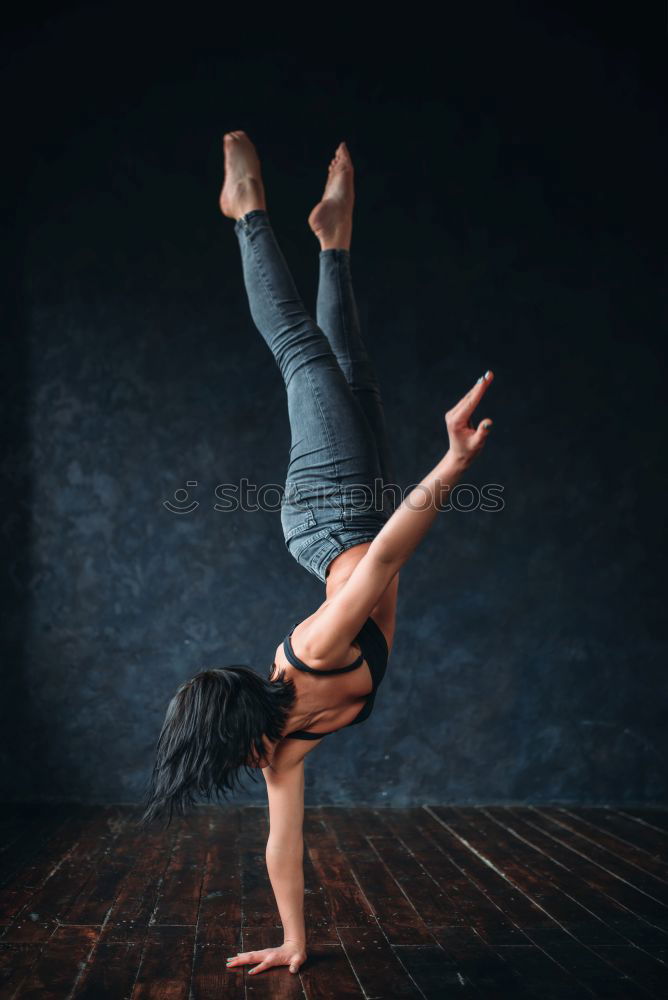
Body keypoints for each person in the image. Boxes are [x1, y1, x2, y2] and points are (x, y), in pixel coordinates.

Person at [140, 131, 494, 977]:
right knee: (354, 373)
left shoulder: (314, 657)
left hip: (331, 517)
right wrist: (295, 944)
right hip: (369, 517)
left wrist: (450, 463)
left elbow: (376, 570)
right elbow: (281, 845)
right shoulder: (283, 749)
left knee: (303, 357)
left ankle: (246, 212)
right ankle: (332, 236)